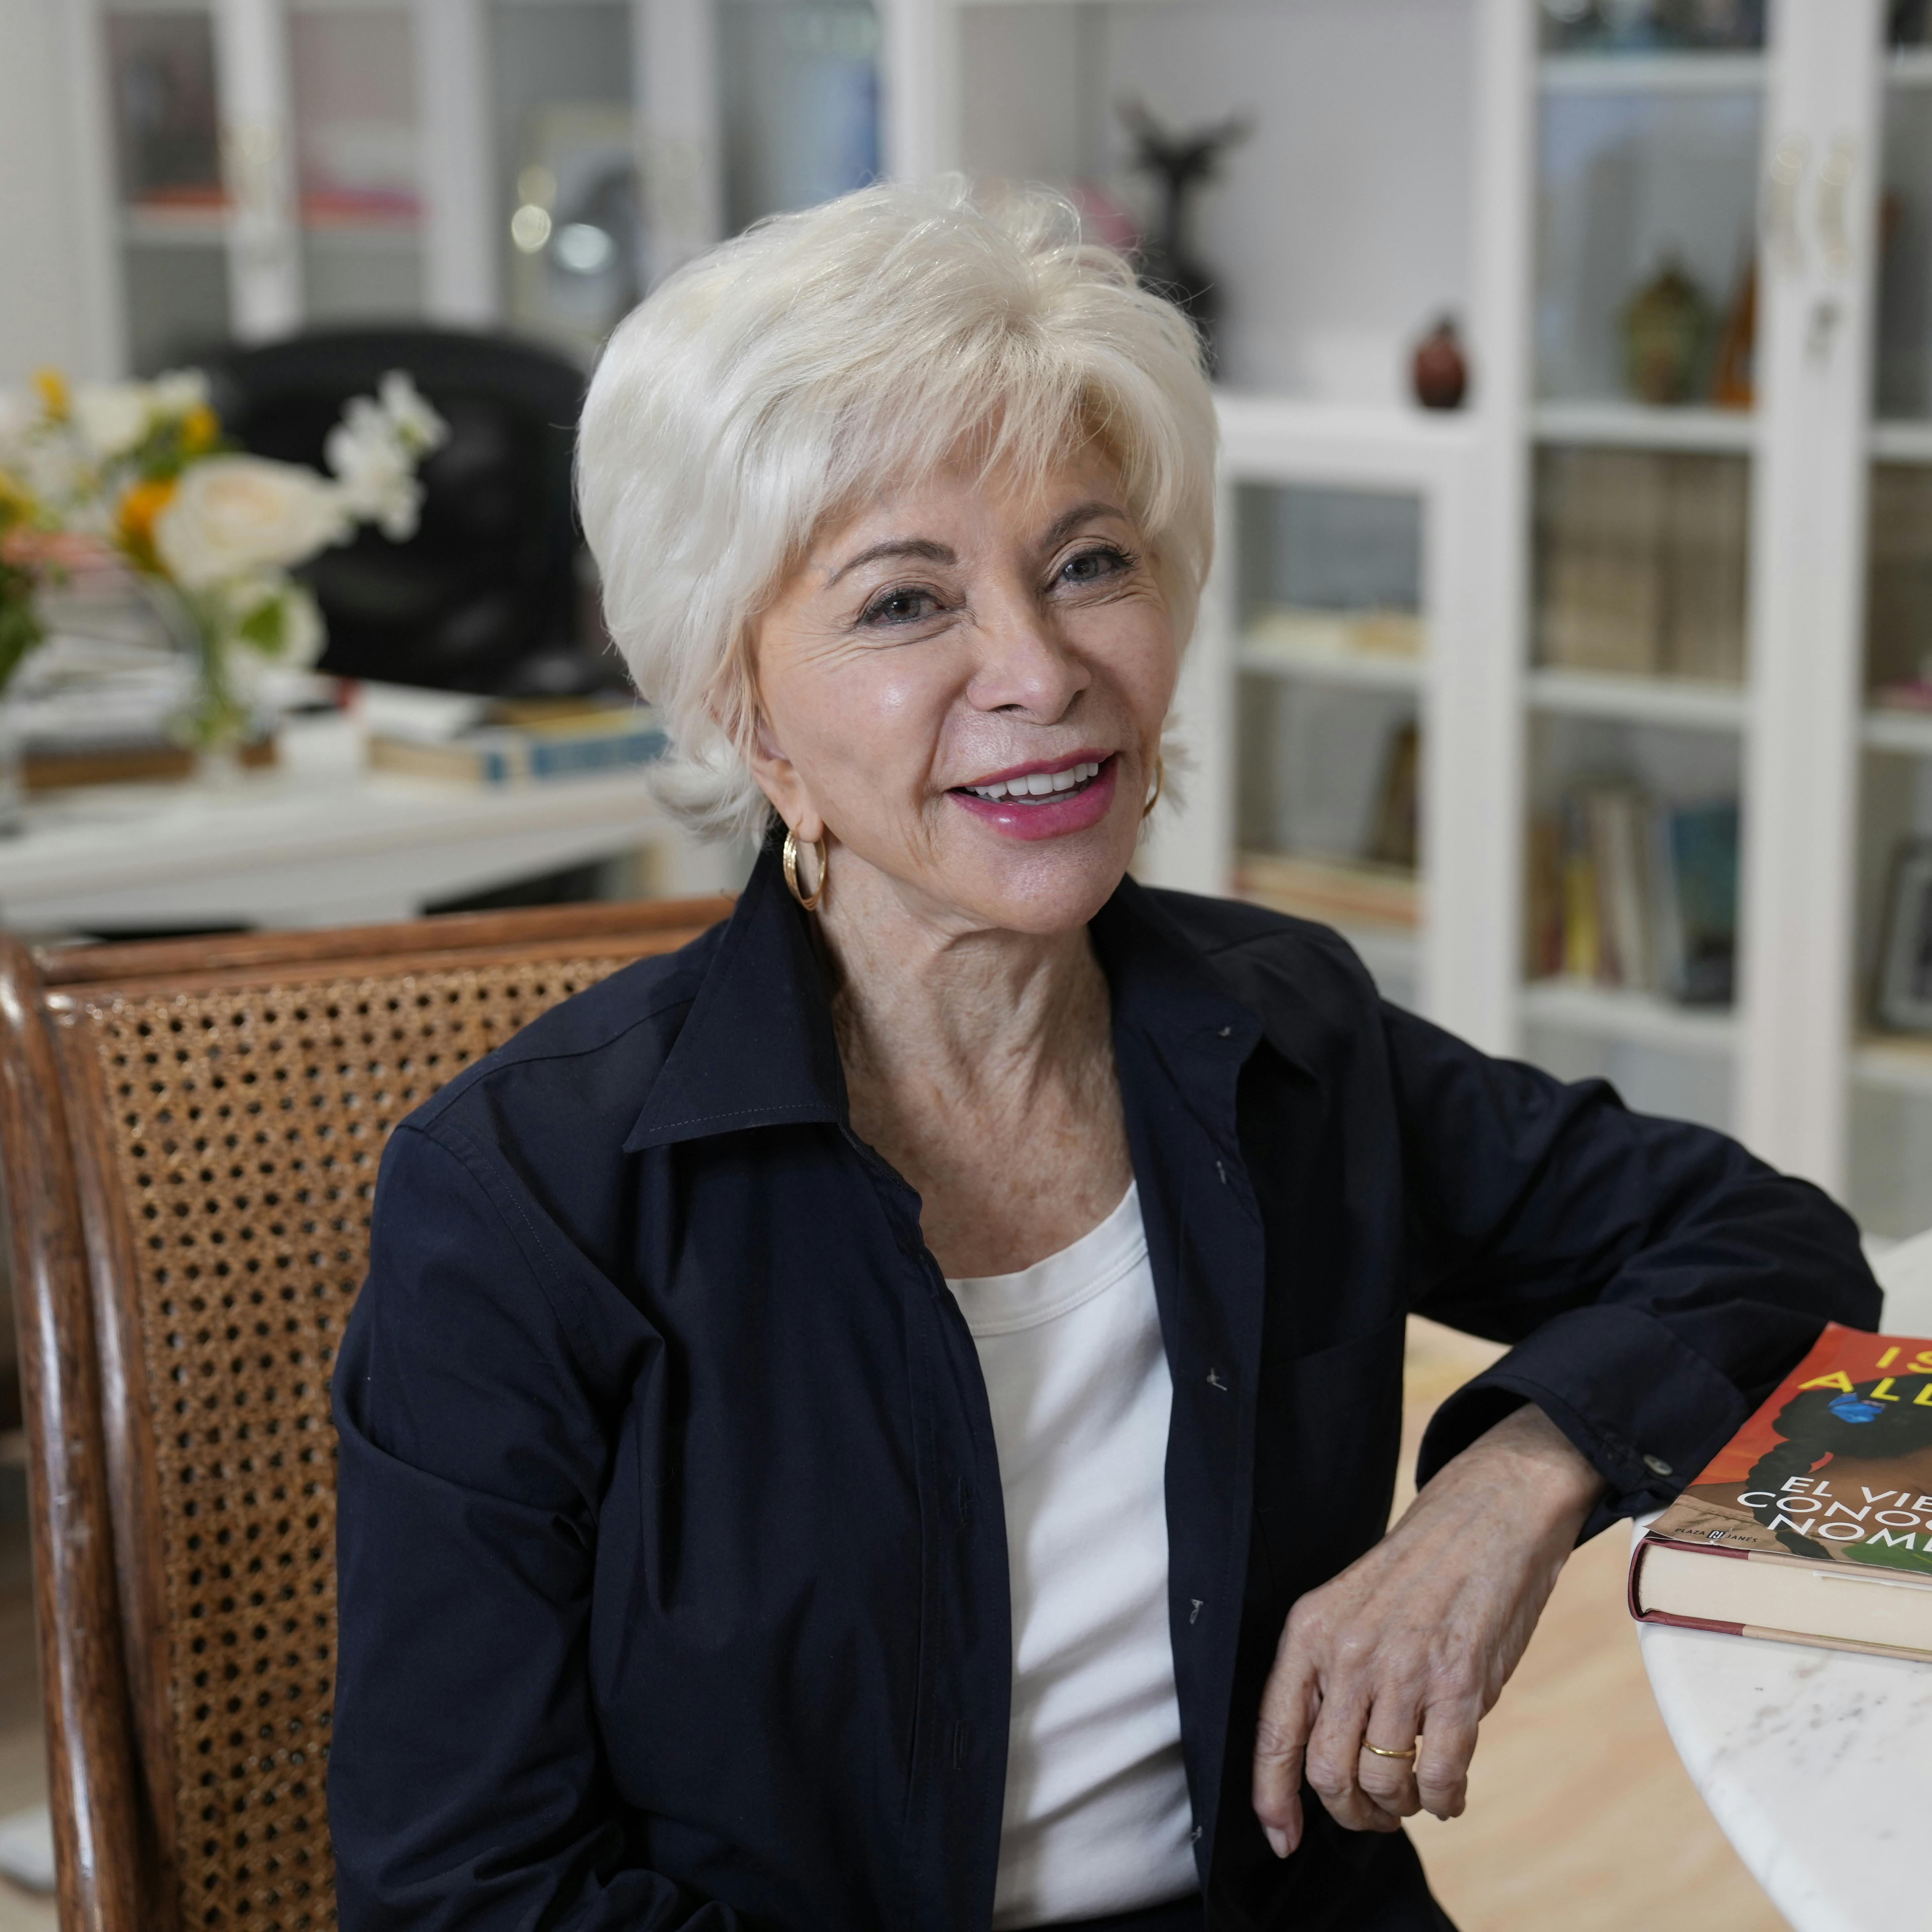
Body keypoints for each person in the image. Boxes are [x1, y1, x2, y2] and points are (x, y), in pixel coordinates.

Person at [328, 180, 1879, 1932]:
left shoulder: (1278, 1032)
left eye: (1089, 565)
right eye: (908, 605)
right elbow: (463, 1895)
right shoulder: (524, 1201)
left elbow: (1785, 1260)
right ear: (744, 703)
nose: (1043, 670)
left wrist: (1502, 1492)